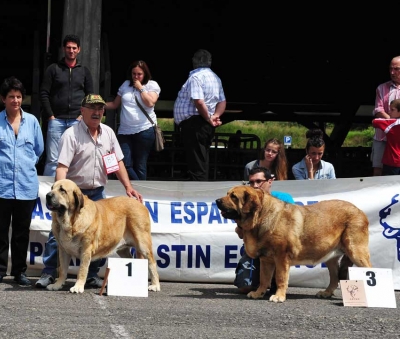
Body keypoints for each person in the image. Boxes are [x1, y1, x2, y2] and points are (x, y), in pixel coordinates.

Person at [36, 94, 143, 289]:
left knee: (97, 236)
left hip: (98, 193)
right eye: (92, 108)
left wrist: (129, 187)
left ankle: (91, 276)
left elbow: (117, 162)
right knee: (58, 234)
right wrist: (60, 194)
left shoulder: (109, 133)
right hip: (74, 195)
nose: (96, 112)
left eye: (100, 109)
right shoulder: (71, 134)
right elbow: (62, 166)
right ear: (82, 111)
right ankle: (49, 273)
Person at [0, 77, 44, 286]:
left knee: (22, 231)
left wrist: (25, 164)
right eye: (11, 97)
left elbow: (39, 150)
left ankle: (19, 272)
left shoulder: (32, 121)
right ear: (3, 99)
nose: (15, 100)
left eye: (18, 97)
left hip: (26, 185)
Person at [234, 166, 294, 294]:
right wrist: (239, 222)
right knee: (245, 287)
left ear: (270, 181)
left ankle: (276, 284)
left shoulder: (284, 199)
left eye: (258, 181)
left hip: (277, 251)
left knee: (274, 288)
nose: (255, 186)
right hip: (255, 251)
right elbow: (240, 235)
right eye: (251, 182)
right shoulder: (245, 203)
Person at [40, 34, 93, 177]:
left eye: (74, 48)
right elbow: (44, 93)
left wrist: (82, 116)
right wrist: (51, 116)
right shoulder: (53, 69)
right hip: (56, 120)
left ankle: (75, 189)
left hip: (77, 121)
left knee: (77, 158)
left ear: (79, 50)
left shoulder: (84, 71)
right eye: (68, 47)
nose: (71, 50)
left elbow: (90, 96)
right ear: (64, 49)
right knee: (53, 160)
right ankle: (48, 193)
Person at [173, 49, 226, 181]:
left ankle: (197, 193)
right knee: (202, 159)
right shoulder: (216, 78)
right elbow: (222, 101)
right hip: (204, 124)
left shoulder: (196, 77)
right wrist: (215, 116)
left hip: (195, 123)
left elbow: (198, 101)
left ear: (194, 61)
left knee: (196, 162)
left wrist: (209, 117)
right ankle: (200, 187)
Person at [104, 60, 160, 180]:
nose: (136, 77)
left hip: (144, 129)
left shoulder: (152, 85)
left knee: (140, 164)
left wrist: (140, 88)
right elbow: (114, 104)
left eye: (139, 74)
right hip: (125, 130)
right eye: (134, 74)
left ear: (145, 74)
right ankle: (136, 188)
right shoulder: (125, 84)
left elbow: (150, 103)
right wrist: (97, 105)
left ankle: (141, 194)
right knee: (123, 163)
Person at [372, 56, 400, 177]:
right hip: (382, 136)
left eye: (396, 69)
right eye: (390, 69)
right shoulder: (381, 88)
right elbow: (378, 109)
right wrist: (391, 123)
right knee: (378, 169)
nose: (392, 72)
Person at [372, 99, 400, 175]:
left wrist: (388, 118)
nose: (389, 112)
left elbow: (375, 121)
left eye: (392, 110)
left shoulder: (391, 124)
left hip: (392, 161)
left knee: (390, 185)